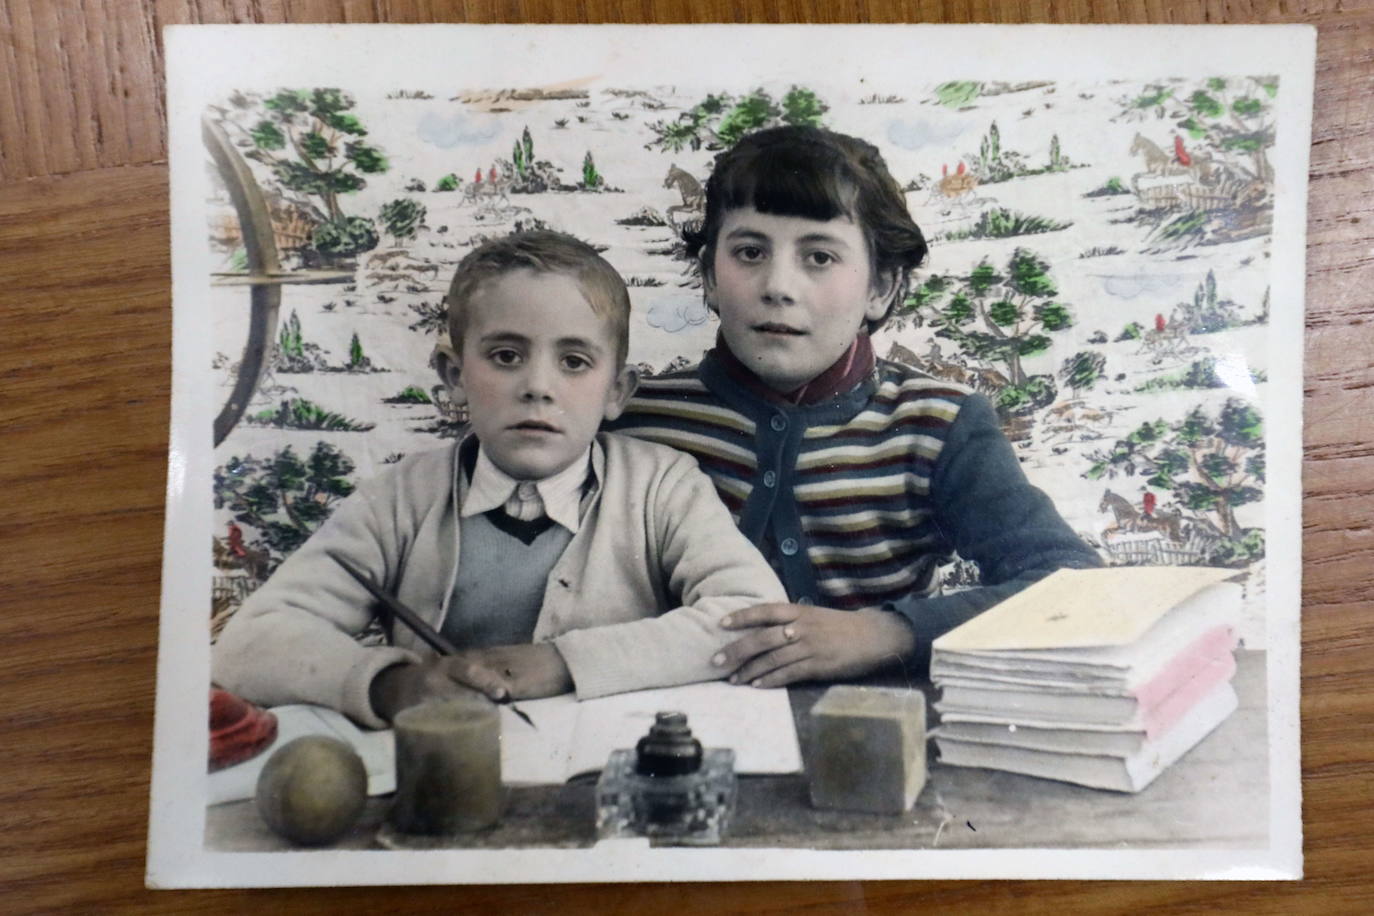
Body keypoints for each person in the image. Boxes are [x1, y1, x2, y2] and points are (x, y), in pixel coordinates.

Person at [213, 231, 787, 728]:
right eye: (507, 356)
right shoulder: (400, 499)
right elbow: (248, 645)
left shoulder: (661, 486)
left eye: (575, 362)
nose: (538, 386)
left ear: (617, 392)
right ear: (455, 376)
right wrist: (392, 685)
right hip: (446, 773)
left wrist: (561, 663)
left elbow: (751, 613)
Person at [612, 126, 1101, 689]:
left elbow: (1073, 586)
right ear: (709, 279)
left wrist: (887, 634)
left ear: (882, 287)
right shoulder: (635, 421)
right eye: (749, 252)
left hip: (878, 735)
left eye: (819, 256)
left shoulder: (935, 424)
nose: (777, 285)